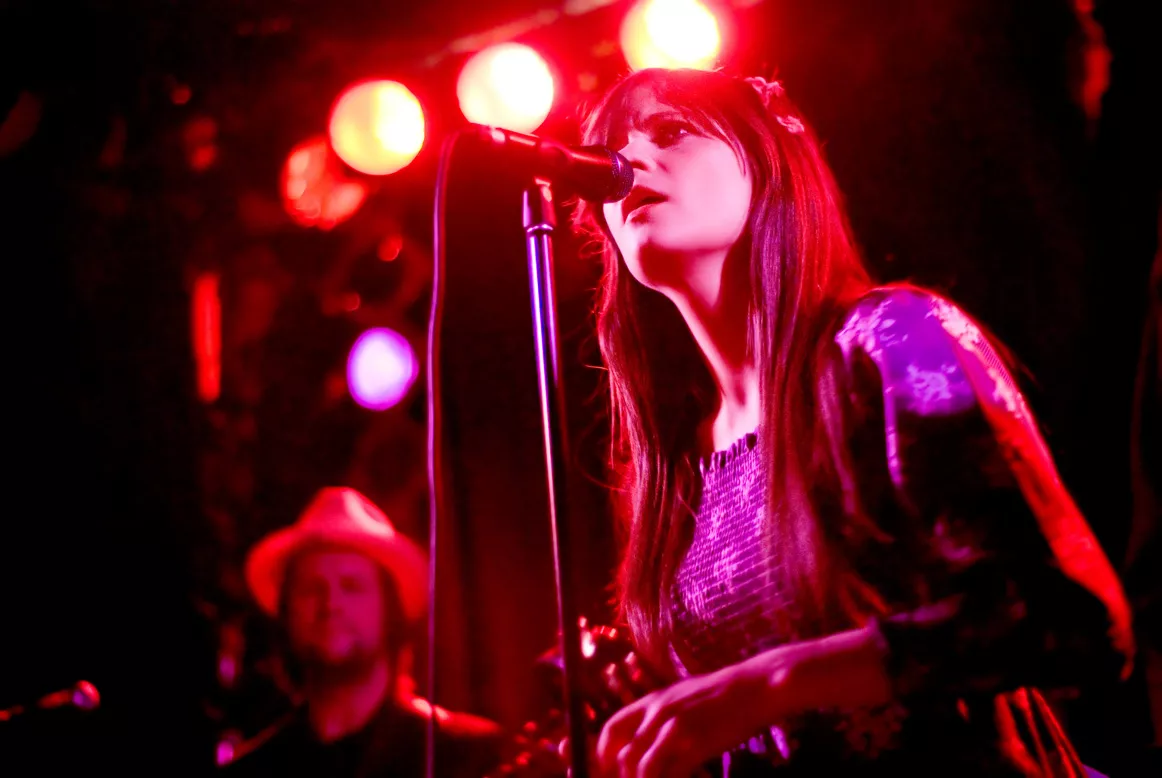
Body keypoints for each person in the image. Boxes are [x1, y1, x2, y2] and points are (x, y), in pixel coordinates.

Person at [568, 67, 1136, 777]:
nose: (626, 162)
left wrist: (773, 682)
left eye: (672, 131)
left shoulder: (892, 338)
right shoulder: (672, 466)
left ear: (768, 162)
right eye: (612, 150)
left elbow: (1069, 615)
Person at [223, 486, 503, 778]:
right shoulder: (251, 771)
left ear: (390, 610)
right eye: (310, 589)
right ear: (286, 613)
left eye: (352, 587)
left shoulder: (464, 755)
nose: (330, 604)